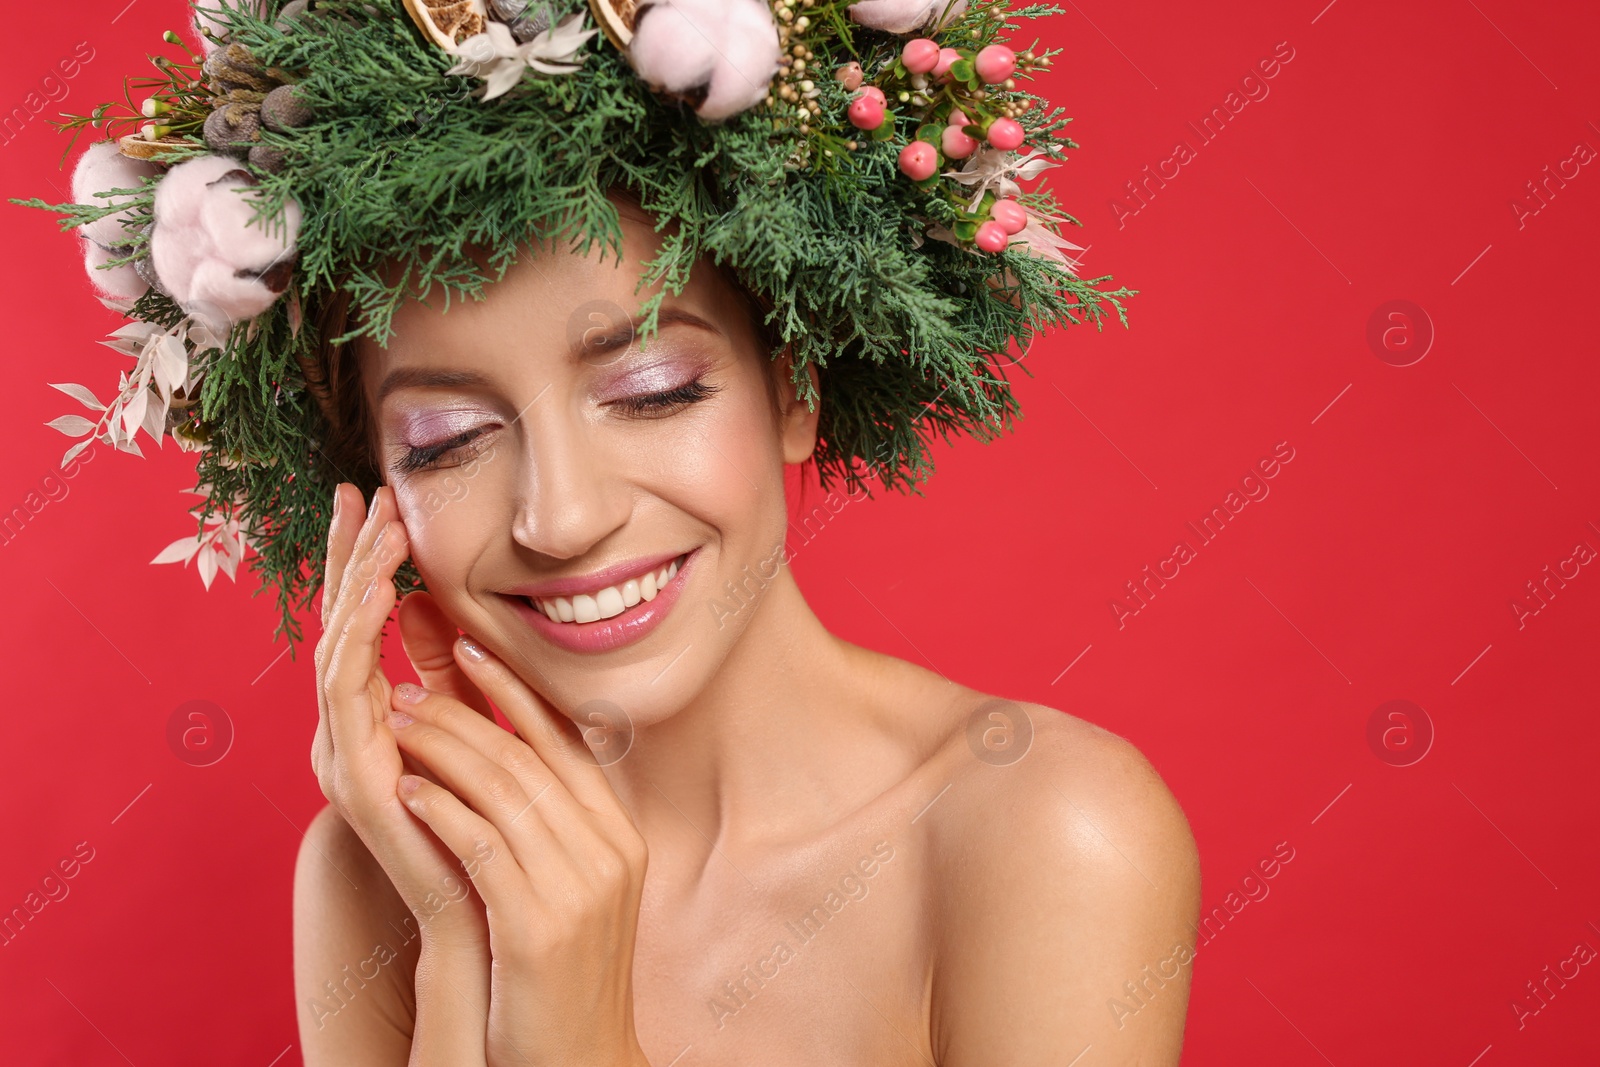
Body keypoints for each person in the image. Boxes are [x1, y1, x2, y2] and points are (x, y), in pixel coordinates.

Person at [18, 1, 1197, 1062]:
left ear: (794, 387)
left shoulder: (1042, 833)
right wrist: (453, 949)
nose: (562, 516)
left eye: (651, 390)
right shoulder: (378, 874)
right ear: (374, 497)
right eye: (443, 441)